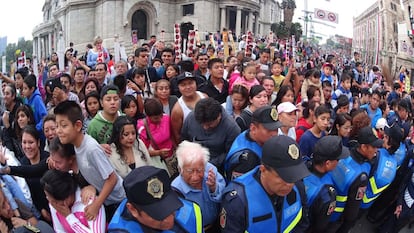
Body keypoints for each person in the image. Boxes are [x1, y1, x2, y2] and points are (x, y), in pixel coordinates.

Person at [220, 135, 310, 232]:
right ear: (263, 170)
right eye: (283, 177)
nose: (289, 183)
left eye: (294, 175)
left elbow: (302, 225)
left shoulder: (298, 187)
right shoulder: (238, 201)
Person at [54, 100, 125, 220]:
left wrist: (96, 205)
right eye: (57, 126)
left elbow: (112, 179)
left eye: (64, 125)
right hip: (106, 200)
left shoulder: (91, 148)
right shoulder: (76, 145)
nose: (58, 131)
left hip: (118, 200)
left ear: (77, 126)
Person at [108, 166, 203, 232]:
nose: (169, 219)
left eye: (170, 207)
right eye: (158, 214)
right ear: (133, 210)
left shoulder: (191, 211)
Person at [327, 126, 383, 233]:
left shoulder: (345, 152)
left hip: (324, 205)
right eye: (374, 147)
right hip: (337, 215)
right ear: (363, 147)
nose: (376, 151)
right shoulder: (362, 175)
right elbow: (353, 207)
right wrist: (349, 223)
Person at [171, 141, 225, 231]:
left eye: (199, 170)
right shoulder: (176, 190)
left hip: (219, 223)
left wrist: (214, 188)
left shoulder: (210, 171)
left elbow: (225, 195)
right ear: (180, 169)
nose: (195, 177)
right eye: (190, 171)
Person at [303, 135, 348, 233]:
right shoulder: (327, 195)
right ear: (327, 163)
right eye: (338, 160)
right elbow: (320, 227)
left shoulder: (302, 164)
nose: (339, 162)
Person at [181, 98, 240, 170]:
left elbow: (230, 153)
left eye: (209, 124)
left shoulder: (232, 128)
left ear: (219, 116)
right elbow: (184, 139)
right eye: (201, 124)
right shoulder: (191, 117)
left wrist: (209, 165)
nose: (205, 127)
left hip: (216, 166)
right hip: (192, 161)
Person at [224, 105, 281, 180]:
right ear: (253, 128)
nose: (274, 134)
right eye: (269, 130)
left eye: (276, 129)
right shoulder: (247, 159)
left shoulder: (248, 134)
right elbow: (241, 187)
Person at [40, 169, 106, 233]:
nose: (49, 200)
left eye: (54, 201)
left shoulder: (89, 202)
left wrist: (69, 217)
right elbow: (59, 230)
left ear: (65, 200)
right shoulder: (53, 204)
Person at [171, 72, 207, 145]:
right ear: (178, 87)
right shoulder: (177, 110)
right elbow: (177, 134)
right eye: (183, 85)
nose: (188, 87)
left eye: (190, 83)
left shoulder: (204, 97)